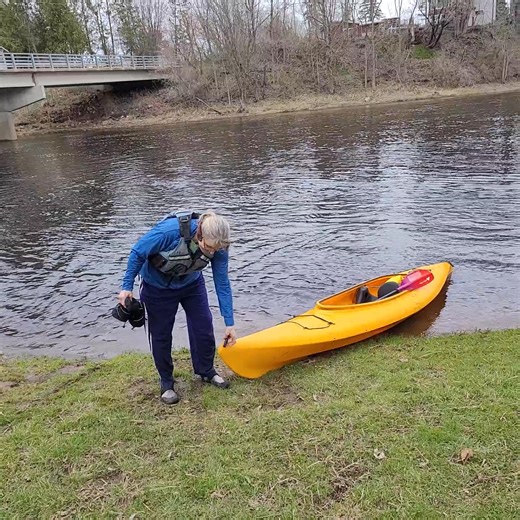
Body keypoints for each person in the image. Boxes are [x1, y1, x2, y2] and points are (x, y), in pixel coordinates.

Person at [118, 210, 237, 405]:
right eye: (209, 247)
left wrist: (229, 323)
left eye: (217, 249)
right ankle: (166, 381)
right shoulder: (169, 232)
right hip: (157, 287)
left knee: (204, 327)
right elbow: (138, 252)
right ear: (199, 234)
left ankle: (206, 371)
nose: (213, 252)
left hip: (191, 285)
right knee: (161, 334)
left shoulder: (219, 244)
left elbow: (222, 282)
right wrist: (126, 287)